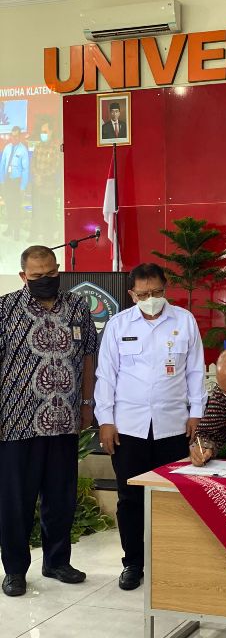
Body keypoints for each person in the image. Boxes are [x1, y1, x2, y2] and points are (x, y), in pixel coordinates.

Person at [94, 263, 207, 591]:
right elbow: (106, 376)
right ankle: (133, 564)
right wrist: (105, 421)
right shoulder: (118, 325)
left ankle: (171, 562)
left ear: (165, 288)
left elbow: (195, 371)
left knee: (173, 498)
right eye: (143, 294)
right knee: (130, 498)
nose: (151, 299)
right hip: (129, 428)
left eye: (157, 292)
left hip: (174, 427)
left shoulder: (184, 321)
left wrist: (196, 413)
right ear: (132, 294)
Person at [0, 245, 97, 597]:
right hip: (16, 422)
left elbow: (88, 357)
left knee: (61, 496)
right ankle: (14, 570)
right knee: (16, 501)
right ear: (23, 276)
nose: (45, 280)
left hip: (64, 421)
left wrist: (86, 404)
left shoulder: (77, 307)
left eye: (51, 273)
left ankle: (57, 562)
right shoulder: (4, 308)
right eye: (37, 275)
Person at [30, 120, 61, 241]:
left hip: (48, 185)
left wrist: (42, 177)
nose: (42, 134)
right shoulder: (38, 147)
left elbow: (55, 168)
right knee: (36, 211)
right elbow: (33, 164)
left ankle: (48, 237)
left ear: (51, 132)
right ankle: (35, 235)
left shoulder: (55, 148)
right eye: (41, 132)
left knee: (48, 211)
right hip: (37, 184)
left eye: (45, 132)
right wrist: (37, 176)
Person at [0, 126, 29, 240]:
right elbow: (2, 165)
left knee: (16, 207)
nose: (14, 138)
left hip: (16, 183)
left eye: (16, 136)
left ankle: (16, 231)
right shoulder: (7, 148)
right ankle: (10, 228)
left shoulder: (23, 150)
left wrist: (22, 187)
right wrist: (2, 181)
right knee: (8, 206)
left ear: (20, 136)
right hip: (7, 182)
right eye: (12, 135)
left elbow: (26, 170)